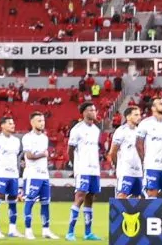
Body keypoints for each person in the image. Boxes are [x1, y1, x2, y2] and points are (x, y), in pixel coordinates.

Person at [66, 102, 103, 241]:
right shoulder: (77, 129)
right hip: (82, 168)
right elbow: (70, 149)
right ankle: (70, 232)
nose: (94, 112)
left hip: (94, 169)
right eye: (91, 110)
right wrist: (75, 165)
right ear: (84, 113)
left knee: (90, 198)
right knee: (80, 197)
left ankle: (88, 233)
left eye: (94, 109)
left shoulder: (96, 129)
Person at [22, 112, 59, 240]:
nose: (42, 123)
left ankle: (46, 230)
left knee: (45, 203)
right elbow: (29, 156)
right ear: (32, 123)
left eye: (43, 120)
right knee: (30, 202)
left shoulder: (44, 138)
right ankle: (28, 230)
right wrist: (43, 155)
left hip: (44, 175)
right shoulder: (27, 137)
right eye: (39, 121)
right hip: (32, 174)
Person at [137, 98, 162, 199]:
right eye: (160, 104)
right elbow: (138, 144)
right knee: (152, 194)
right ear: (153, 108)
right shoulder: (145, 123)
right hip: (152, 166)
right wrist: (144, 161)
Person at [0, 116, 22, 239]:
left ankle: (12, 229)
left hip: (13, 175)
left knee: (13, 200)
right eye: (10, 123)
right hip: (1, 174)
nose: (13, 125)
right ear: (2, 125)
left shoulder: (16, 141)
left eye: (13, 123)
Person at [109, 106, 144, 199]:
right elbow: (113, 152)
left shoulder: (140, 131)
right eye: (136, 115)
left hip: (138, 171)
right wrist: (117, 166)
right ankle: (118, 209)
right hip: (125, 171)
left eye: (139, 115)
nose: (139, 117)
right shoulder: (121, 131)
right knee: (122, 195)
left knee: (137, 196)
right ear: (128, 117)